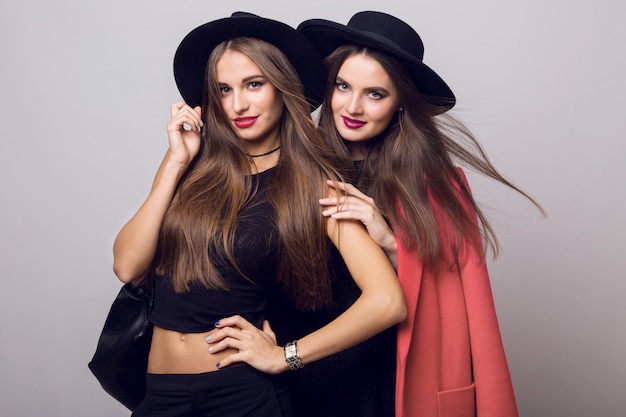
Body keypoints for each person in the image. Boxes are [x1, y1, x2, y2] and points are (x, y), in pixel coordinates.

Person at [112, 12, 406, 417]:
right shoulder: (194, 170)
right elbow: (127, 265)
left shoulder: (313, 186)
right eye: (224, 89)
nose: (238, 104)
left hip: (241, 397)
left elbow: (388, 301)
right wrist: (175, 163)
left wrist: (286, 356)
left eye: (254, 84)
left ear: (282, 88)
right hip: (161, 394)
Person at [296, 10, 545, 417]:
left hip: (393, 378)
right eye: (342, 86)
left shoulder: (436, 185)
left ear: (400, 104)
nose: (353, 106)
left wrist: (392, 242)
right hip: (304, 372)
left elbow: (466, 311)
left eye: (375, 93)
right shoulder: (298, 168)